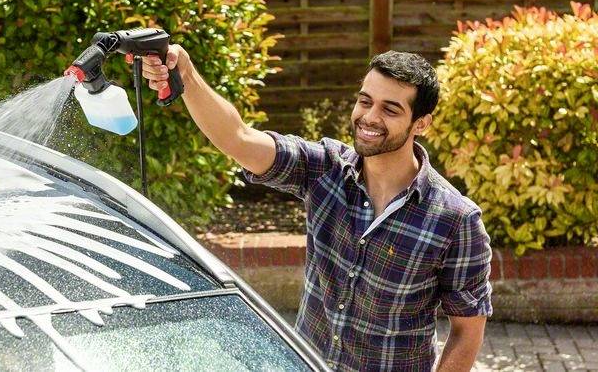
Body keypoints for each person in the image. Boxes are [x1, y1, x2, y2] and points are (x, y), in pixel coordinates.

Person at [140, 46, 492, 371]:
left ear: (421, 123)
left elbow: (467, 329)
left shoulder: (455, 219)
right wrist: (185, 74)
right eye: (365, 101)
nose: (369, 117)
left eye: (390, 109)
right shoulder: (325, 169)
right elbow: (239, 138)